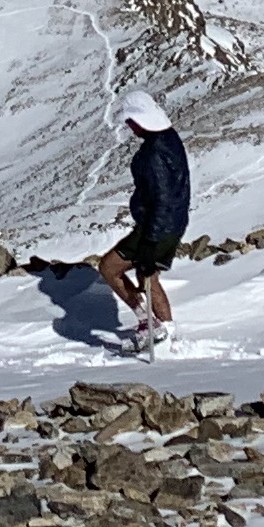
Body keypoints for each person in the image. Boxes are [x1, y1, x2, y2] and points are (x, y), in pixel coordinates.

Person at [95, 89, 192, 350]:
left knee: (109, 268)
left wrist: (149, 242)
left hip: (158, 226)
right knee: (148, 276)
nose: (128, 126)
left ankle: (148, 322)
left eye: (130, 120)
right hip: (171, 223)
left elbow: (162, 199)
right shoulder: (168, 139)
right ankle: (168, 335)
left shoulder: (154, 153)